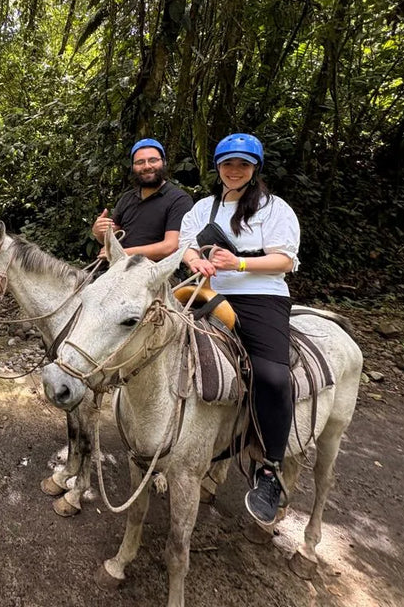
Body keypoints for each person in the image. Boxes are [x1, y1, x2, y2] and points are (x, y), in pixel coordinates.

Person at [177, 133, 301, 525]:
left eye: (242, 165)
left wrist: (240, 264)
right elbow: (185, 244)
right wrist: (195, 259)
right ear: (218, 167)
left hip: (259, 296)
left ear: (254, 169)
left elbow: (284, 260)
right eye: (228, 164)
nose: (234, 171)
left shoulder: (274, 209)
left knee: (272, 375)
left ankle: (270, 470)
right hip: (207, 289)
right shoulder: (201, 208)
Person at [92, 138, 193, 269]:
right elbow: (111, 242)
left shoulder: (179, 199)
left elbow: (171, 247)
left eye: (153, 160)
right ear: (133, 167)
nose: (147, 166)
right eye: (140, 162)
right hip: (119, 269)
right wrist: (98, 232)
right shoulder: (127, 198)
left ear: (164, 162)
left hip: (155, 272)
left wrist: (122, 254)